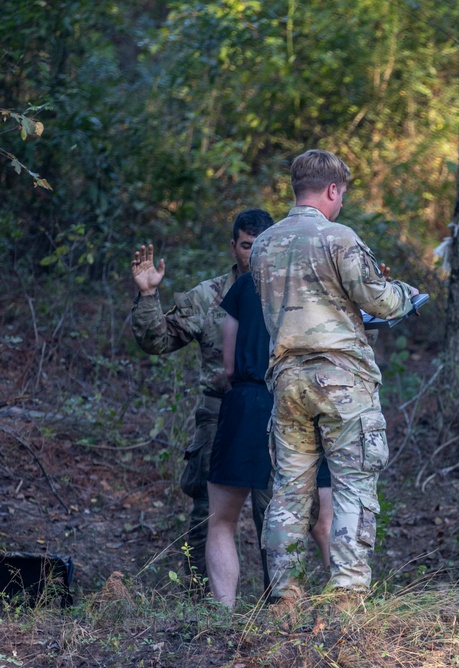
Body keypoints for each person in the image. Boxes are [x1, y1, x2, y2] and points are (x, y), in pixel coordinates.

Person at [250, 149, 418, 615]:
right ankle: (346, 596)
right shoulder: (338, 237)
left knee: (288, 490)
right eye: (341, 192)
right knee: (351, 484)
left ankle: (285, 598)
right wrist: (408, 295)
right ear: (332, 190)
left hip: (287, 380)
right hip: (342, 378)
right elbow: (379, 300)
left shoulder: (263, 244)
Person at [129, 211, 271, 584]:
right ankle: (203, 603)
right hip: (220, 413)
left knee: (275, 511)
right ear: (233, 246)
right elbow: (156, 340)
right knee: (208, 511)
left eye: (261, 246)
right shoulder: (209, 296)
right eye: (245, 246)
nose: (252, 254)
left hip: (275, 413)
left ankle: (281, 604)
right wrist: (148, 296)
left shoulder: (291, 294)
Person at [205, 209, 335, 608]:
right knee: (322, 520)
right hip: (300, 401)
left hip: (246, 403)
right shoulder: (312, 286)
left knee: (223, 520)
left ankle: (224, 615)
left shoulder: (243, 287)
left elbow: (227, 365)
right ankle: (346, 608)